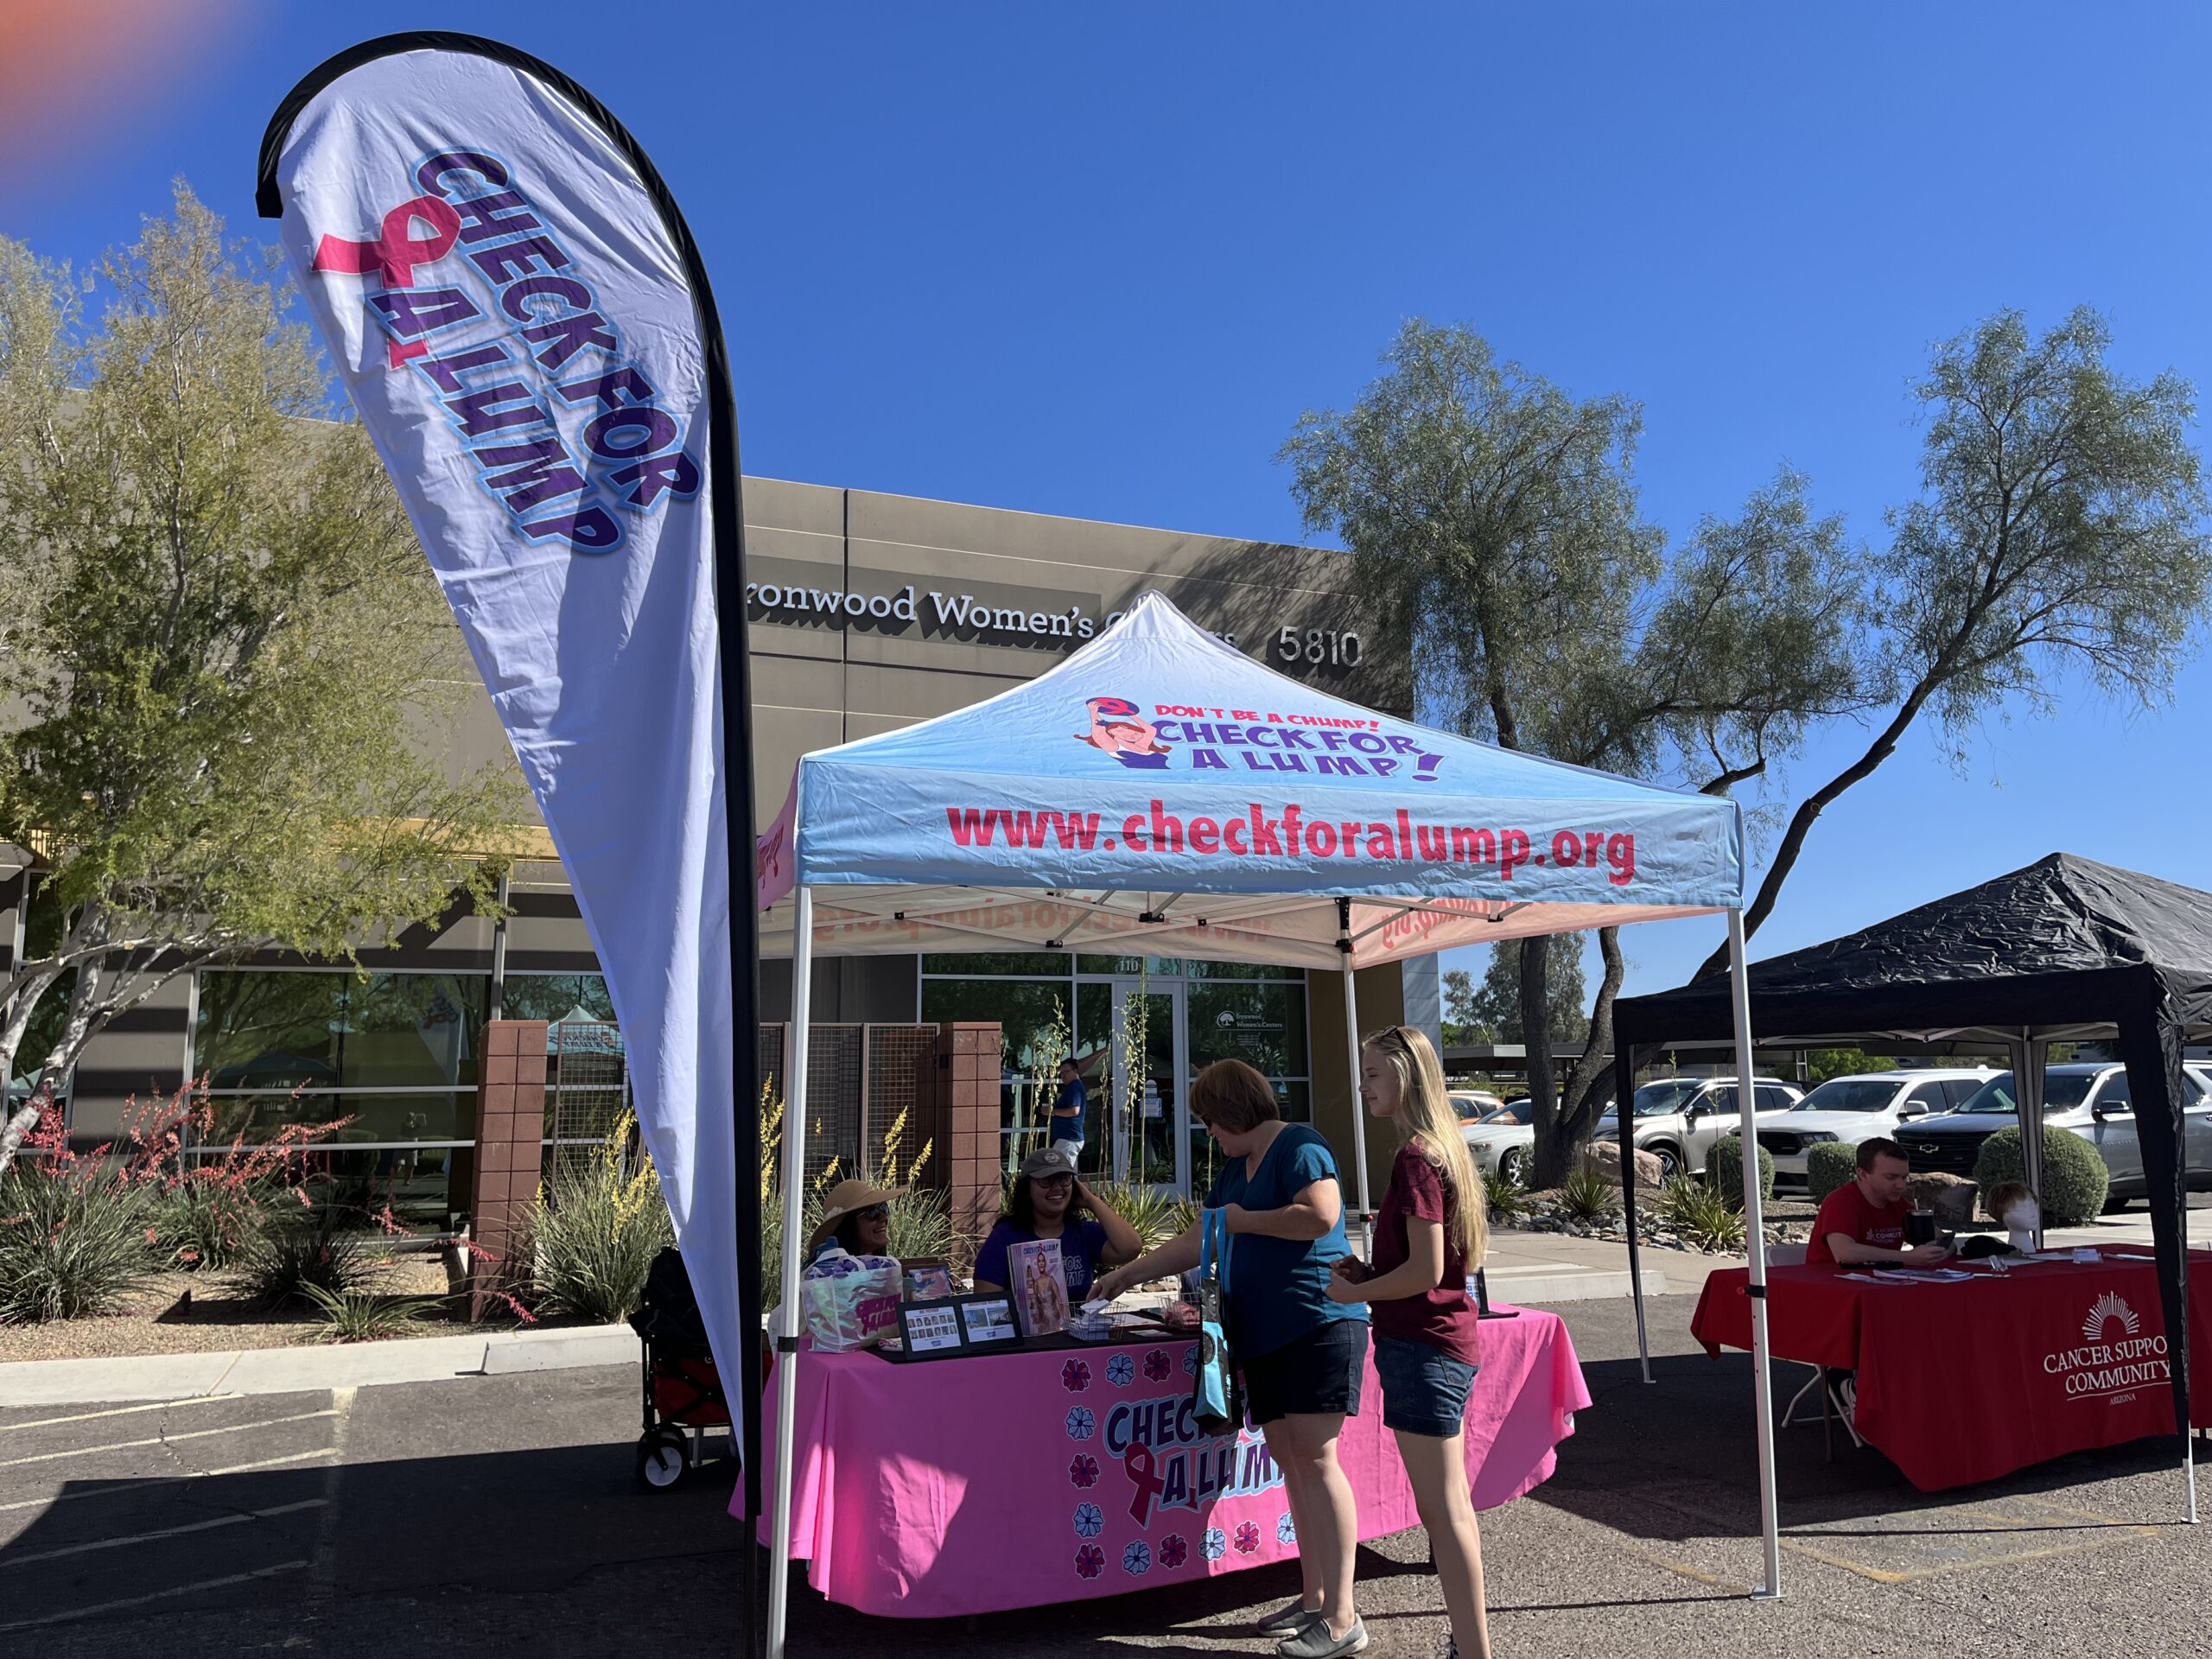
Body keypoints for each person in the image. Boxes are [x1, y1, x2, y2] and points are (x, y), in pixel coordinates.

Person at [1094, 1059, 1370, 1659]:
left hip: (1318, 1323)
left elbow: (1321, 1214)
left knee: (1317, 1460)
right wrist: (1129, 1274)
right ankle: (1316, 1598)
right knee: (1294, 1464)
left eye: (1212, 1122)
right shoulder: (1233, 1171)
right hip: (1264, 1335)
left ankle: (1343, 1618)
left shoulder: (1300, 1146)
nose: (1210, 1133)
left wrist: (1243, 1221)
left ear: (1232, 1111)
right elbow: (1200, 1239)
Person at [1325, 1027, 1491, 1659]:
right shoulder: (1443, 1149)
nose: (1362, 1085)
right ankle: (1469, 1647)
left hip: (1425, 1348)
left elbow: (1426, 1272)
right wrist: (1372, 1276)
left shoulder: (1418, 1157)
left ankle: (1472, 1651)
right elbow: (1434, 1268)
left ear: (1406, 1077)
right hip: (1439, 1343)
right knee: (1451, 1510)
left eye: (1373, 1074)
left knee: (1445, 1515)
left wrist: (1357, 1292)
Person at [971, 1146, 1141, 1305]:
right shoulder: (1005, 1237)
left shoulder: (1083, 1231)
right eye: (1046, 1181)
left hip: (1079, 1326)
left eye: (1064, 1179)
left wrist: (1091, 1201)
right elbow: (985, 1302)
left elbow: (1131, 1248)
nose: (1057, 1187)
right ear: (1027, 1189)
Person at [1806, 1138, 1951, 1267]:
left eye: (1904, 1177)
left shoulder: (1897, 1203)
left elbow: (1945, 1241)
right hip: (1831, 1283)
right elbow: (1845, 1253)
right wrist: (1909, 1258)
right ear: (1863, 1174)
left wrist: (1937, 1252)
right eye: (1891, 1177)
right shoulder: (1841, 1202)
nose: (1901, 1185)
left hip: (1880, 1282)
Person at [806, 1178, 904, 1268]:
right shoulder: (830, 1275)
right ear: (847, 1226)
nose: (884, 1218)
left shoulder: (888, 1269)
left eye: (884, 1208)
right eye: (872, 1212)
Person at [1049, 1058, 1089, 1160]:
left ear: (1075, 1071)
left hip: (1069, 1139)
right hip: (1068, 1138)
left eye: (1066, 1072)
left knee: (1057, 1167)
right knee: (1062, 1168)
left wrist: (1053, 1112)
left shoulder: (1074, 1087)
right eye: (1061, 1073)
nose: (1063, 1075)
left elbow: (1074, 1111)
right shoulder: (1073, 1087)